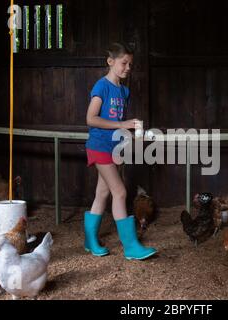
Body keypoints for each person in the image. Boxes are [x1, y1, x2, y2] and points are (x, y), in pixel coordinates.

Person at [83, 42, 157, 260]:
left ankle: (89, 240)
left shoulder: (124, 91)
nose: (128, 68)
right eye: (124, 63)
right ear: (110, 61)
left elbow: (118, 122)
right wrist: (122, 124)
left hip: (114, 147)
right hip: (99, 147)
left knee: (102, 193)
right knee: (121, 192)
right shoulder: (101, 86)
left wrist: (133, 131)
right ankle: (131, 246)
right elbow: (91, 119)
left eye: (130, 64)